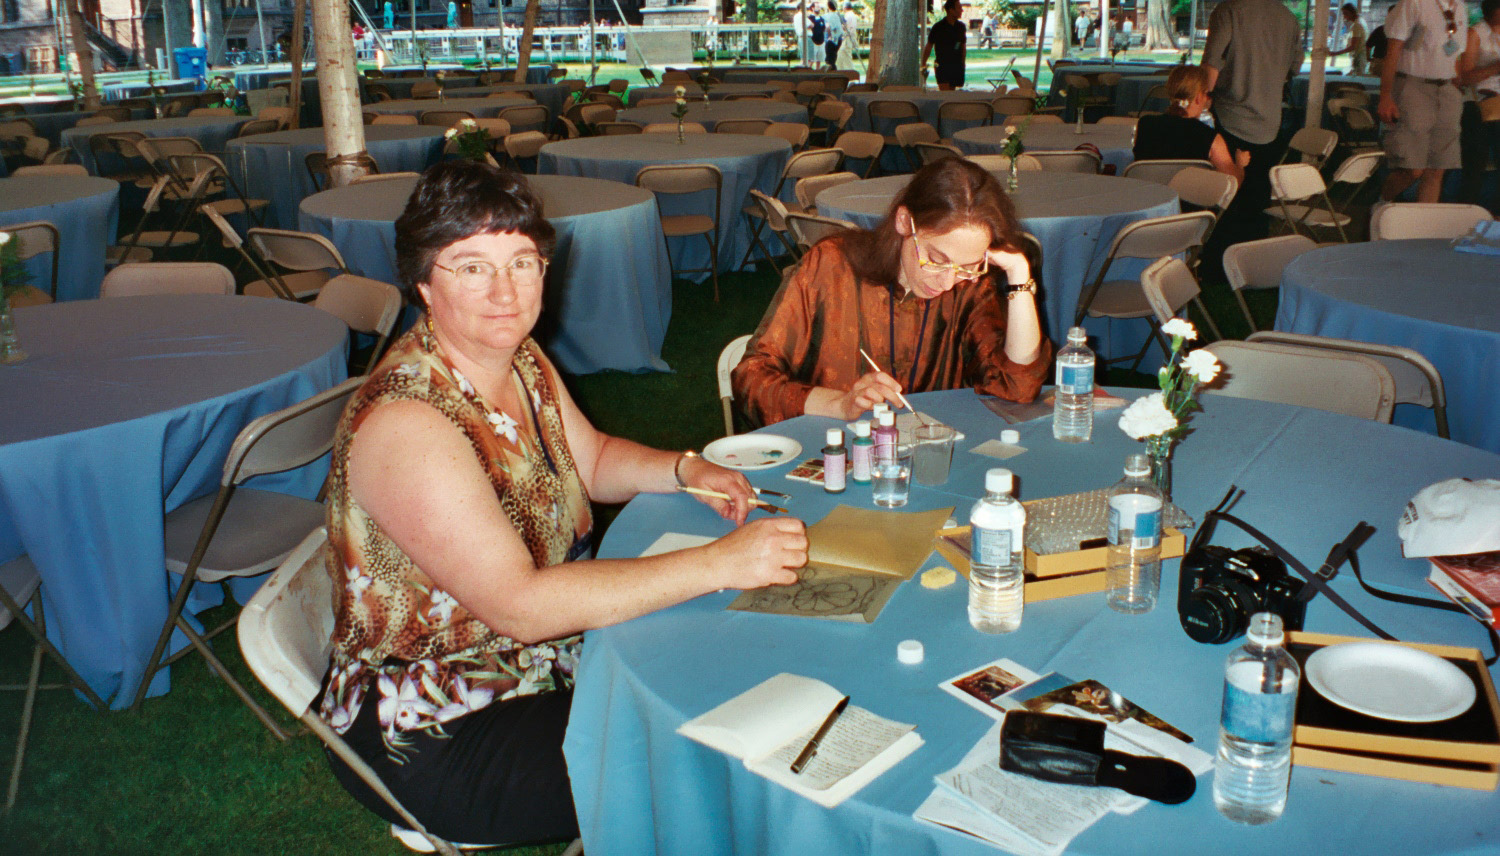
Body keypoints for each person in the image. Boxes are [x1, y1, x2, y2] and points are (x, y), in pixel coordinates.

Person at [318, 161, 808, 845]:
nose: (505, 292)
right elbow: (521, 607)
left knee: (727, 667)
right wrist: (720, 562)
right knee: (718, 757)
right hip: (439, 723)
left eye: (522, 263)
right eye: (472, 268)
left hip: (541, 659)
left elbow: (593, 459)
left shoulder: (517, 356)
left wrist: (686, 468)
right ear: (424, 283)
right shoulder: (409, 423)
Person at [731, 158, 1051, 427]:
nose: (947, 281)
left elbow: (1018, 387)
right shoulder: (830, 267)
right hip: (837, 448)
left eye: (967, 266)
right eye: (936, 259)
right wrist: (841, 403)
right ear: (904, 221)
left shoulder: (969, 284)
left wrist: (1019, 275)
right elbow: (751, 379)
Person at [1201, 0, 1302, 243]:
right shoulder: (1288, 18)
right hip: (1269, 119)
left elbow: (1211, 64)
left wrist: (1201, 102)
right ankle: (1254, 254)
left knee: (1227, 194)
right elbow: (1295, 66)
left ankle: (1222, 254)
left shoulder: (1228, 10)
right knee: (1259, 198)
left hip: (1231, 114)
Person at [1378, 0, 1467, 203]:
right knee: (1412, 168)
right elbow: (1392, 51)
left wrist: (1457, 87)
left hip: (1447, 89)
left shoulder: (1461, 7)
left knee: (1437, 169)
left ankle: (1424, 219)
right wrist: (1385, 96)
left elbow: (1456, 56)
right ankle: (1380, 206)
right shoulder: (1415, 3)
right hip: (1413, 86)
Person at [1133, 65, 1251, 183]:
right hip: (1190, 195)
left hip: (1150, 193)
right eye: (1207, 94)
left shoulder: (1145, 124)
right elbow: (1233, 181)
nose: (1207, 99)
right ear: (1199, 97)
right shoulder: (1209, 136)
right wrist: (1240, 164)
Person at [1458, 0, 1500, 208]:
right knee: (1475, 163)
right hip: (1480, 103)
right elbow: (1464, 77)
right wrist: (1495, 68)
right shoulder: (1476, 33)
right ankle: (1467, 208)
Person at [923, 0, 968, 91]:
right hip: (942, 66)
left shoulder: (961, 27)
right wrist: (923, 63)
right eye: (959, 7)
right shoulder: (938, 27)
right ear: (951, 10)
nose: (962, 10)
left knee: (952, 93)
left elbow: (963, 46)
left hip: (956, 65)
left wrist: (963, 63)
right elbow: (929, 45)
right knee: (945, 94)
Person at [1330, 4, 1368, 74]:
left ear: (1352, 13)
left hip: (1358, 58)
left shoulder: (1357, 25)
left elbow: (1353, 46)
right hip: (1359, 57)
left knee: (1356, 77)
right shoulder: (1361, 21)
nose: (1344, 16)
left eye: (1345, 14)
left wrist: (1335, 53)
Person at [824, 0, 844, 70]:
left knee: (829, 59)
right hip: (839, 39)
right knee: (834, 56)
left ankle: (832, 70)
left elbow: (828, 26)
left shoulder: (827, 16)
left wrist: (830, 36)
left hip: (831, 39)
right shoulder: (839, 16)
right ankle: (833, 68)